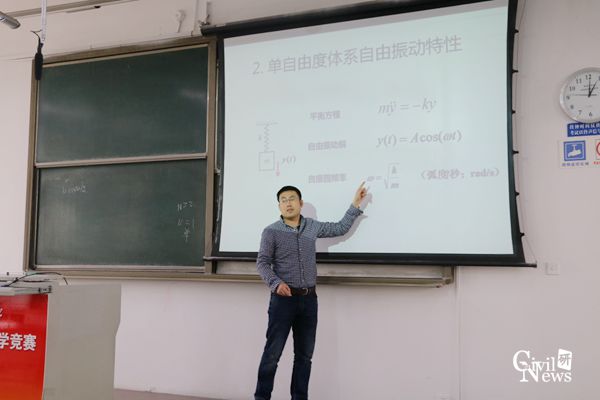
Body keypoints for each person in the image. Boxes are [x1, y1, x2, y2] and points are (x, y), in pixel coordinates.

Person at [254, 183, 368, 400]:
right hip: (283, 301)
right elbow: (262, 263)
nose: (288, 203)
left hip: (309, 300)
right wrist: (276, 283)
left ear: (300, 203)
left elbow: (339, 228)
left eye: (291, 199)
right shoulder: (271, 232)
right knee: (272, 355)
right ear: (279, 206)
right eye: (283, 200)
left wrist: (355, 204)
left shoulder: (312, 227)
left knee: (304, 357)